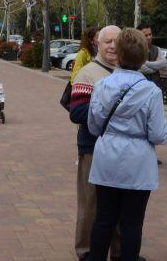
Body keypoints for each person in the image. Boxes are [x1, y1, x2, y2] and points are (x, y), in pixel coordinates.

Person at [86, 28, 167, 261]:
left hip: (107, 157)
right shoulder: (151, 91)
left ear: (118, 54)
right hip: (138, 161)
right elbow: (158, 134)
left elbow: (93, 126)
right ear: (143, 57)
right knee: (132, 223)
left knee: (103, 219)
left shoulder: (103, 85)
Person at [69, 25, 122, 261]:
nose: (112, 45)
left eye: (116, 41)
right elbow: (77, 112)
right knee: (91, 203)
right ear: (96, 44)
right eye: (107, 41)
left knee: (121, 204)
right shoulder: (87, 73)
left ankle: (120, 252)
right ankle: (86, 251)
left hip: (123, 151)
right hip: (94, 148)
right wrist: (114, 109)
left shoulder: (128, 72)